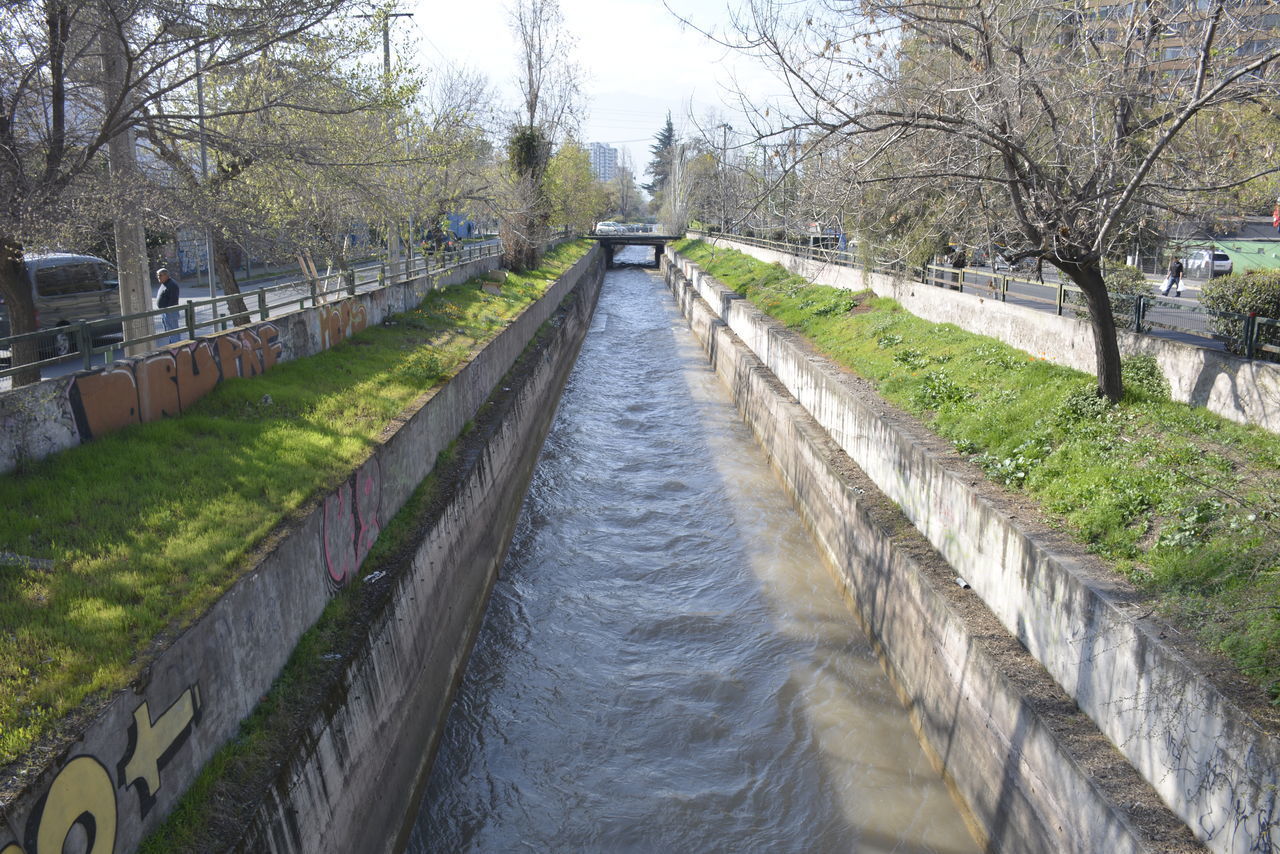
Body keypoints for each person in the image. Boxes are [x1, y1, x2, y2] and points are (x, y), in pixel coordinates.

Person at [154, 267, 181, 344]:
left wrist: (168, 310)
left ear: (166, 275)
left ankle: (176, 347)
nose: (158, 277)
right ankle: (172, 345)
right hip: (165, 311)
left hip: (170, 312)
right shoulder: (164, 283)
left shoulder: (172, 284)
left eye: (160, 275)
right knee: (168, 331)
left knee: (173, 331)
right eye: (157, 275)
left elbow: (173, 300)